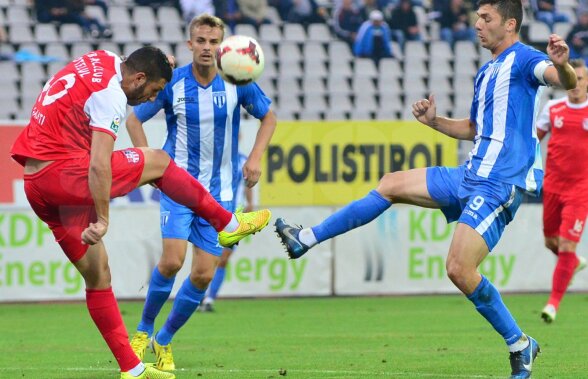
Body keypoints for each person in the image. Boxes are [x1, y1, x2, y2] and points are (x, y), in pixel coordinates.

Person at [275, 0, 577, 377]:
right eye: (478, 16)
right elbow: (474, 128)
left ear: (510, 23)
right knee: (390, 184)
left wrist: (563, 64)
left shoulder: (525, 59)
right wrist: (435, 122)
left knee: (459, 269)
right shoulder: (487, 72)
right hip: (468, 174)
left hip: (499, 184)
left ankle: (520, 344)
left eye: (487, 18)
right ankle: (305, 237)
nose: (477, 23)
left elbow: (561, 80)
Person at [10, 46, 271, 379]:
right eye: (154, 90)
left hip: (36, 182)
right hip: (64, 176)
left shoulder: (104, 57)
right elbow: (99, 165)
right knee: (159, 162)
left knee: (98, 275)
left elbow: (141, 61)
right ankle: (229, 222)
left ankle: (131, 369)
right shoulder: (112, 95)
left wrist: (165, 64)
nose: (152, 99)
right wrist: (103, 218)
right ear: (139, 78)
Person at [125, 14, 276, 372]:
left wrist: (255, 157)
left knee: (204, 275)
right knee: (173, 260)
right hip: (177, 187)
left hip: (220, 193)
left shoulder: (238, 79)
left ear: (222, 47)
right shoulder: (172, 82)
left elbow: (269, 117)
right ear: (190, 44)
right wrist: (147, 161)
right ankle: (144, 330)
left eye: (213, 42)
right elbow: (134, 119)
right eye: (201, 41)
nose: (207, 48)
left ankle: (164, 338)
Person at [535, 58, 588, 323]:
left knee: (567, 245)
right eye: (571, 79)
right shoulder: (553, 108)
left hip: (580, 190)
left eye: (580, 79)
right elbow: (534, 140)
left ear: (587, 82)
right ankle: (572, 262)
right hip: (553, 186)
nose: (575, 84)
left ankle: (552, 304)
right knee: (551, 242)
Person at [200, 152, 254, 312]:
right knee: (206, 257)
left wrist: (250, 203)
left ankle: (209, 299)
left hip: (235, 214)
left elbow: (247, 184)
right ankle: (199, 295)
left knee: (223, 258)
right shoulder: (213, 156)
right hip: (213, 211)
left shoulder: (243, 160)